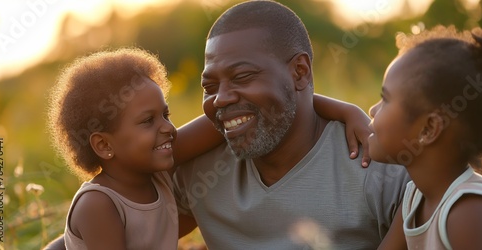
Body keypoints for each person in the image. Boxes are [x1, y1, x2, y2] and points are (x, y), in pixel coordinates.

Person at [43, 45, 374, 249]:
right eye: (148, 121)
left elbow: (265, 105)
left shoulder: (158, 166)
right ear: (103, 144)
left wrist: (345, 111)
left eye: (166, 114)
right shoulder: (98, 205)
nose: (168, 129)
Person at [173, 1, 410, 249]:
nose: (220, 98)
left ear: (300, 71)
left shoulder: (376, 169)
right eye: (209, 87)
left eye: (242, 77)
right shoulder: (199, 175)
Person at [371, 26, 482, 250]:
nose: (372, 110)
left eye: (384, 99)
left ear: (428, 129)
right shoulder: (415, 196)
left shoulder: (469, 210)